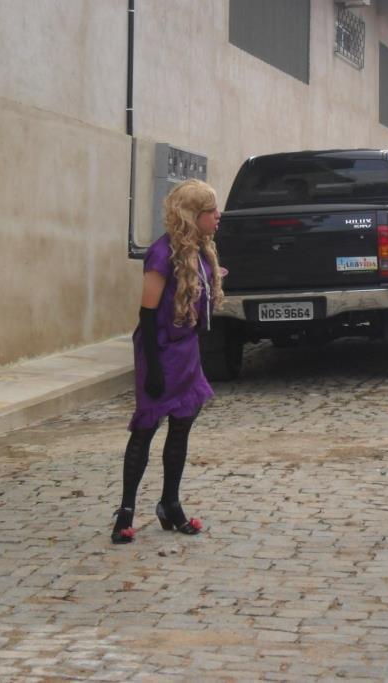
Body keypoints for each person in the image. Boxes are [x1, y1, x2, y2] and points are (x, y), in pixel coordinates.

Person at [111, 179, 225, 543]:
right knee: (146, 428)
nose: (218, 216)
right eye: (211, 211)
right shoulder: (161, 255)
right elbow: (146, 314)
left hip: (186, 350)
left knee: (181, 427)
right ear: (193, 215)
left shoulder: (200, 250)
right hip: (160, 349)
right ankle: (126, 511)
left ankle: (170, 504)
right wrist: (154, 368)